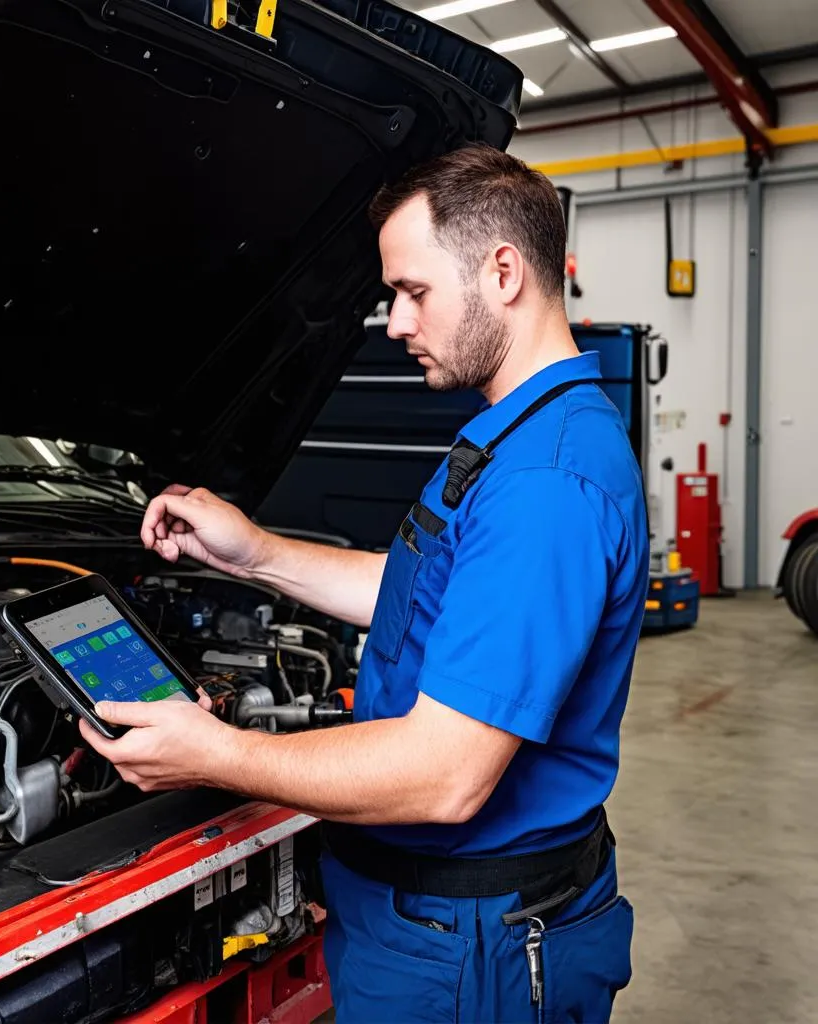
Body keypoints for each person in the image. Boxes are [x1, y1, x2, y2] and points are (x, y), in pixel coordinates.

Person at [80, 143, 650, 1023]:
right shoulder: (522, 433)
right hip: (428, 923)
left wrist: (219, 753)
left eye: (413, 291)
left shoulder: (547, 482)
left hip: (470, 949)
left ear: (504, 271)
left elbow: (442, 775)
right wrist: (255, 553)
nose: (393, 321)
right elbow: (421, 592)